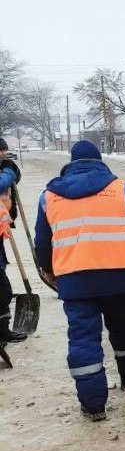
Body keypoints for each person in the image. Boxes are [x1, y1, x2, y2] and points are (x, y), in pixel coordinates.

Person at [34, 141, 125, 422]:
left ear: (70, 164)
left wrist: (48, 270)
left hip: (75, 282)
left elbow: (43, 243)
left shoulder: (49, 197)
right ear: (100, 161)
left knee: (83, 340)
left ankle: (93, 407)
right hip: (120, 278)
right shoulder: (121, 189)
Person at [0, 138, 25, 344]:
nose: (2, 155)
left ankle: (2, 329)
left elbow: (10, 179)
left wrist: (11, 171)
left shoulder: (6, 168)